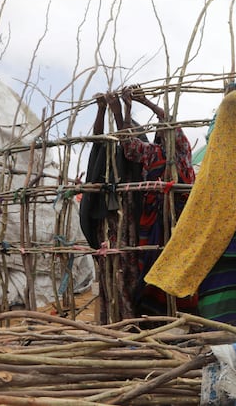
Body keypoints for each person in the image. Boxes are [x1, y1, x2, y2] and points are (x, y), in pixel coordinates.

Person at [145, 81, 236, 327]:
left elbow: (216, 125)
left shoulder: (217, 139)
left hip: (220, 229)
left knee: (217, 290)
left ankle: (216, 341)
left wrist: (229, 95)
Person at [107, 85, 198, 316]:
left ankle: (182, 312)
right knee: (153, 262)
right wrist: (126, 109)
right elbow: (128, 146)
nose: (164, 132)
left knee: (181, 263)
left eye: (166, 129)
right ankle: (156, 315)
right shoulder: (153, 153)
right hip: (154, 219)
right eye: (160, 130)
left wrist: (146, 102)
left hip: (181, 220)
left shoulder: (183, 153)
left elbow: (170, 123)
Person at [79, 93, 146, 322]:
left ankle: (130, 321)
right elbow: (97, 140)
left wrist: (120, 111)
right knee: (108, 275)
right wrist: (101, 110)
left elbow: (129, 143)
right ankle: (112, 322)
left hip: (125, 225)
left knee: (127, 275)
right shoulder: (105, 157)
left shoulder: (133, 157)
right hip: (105, 225)